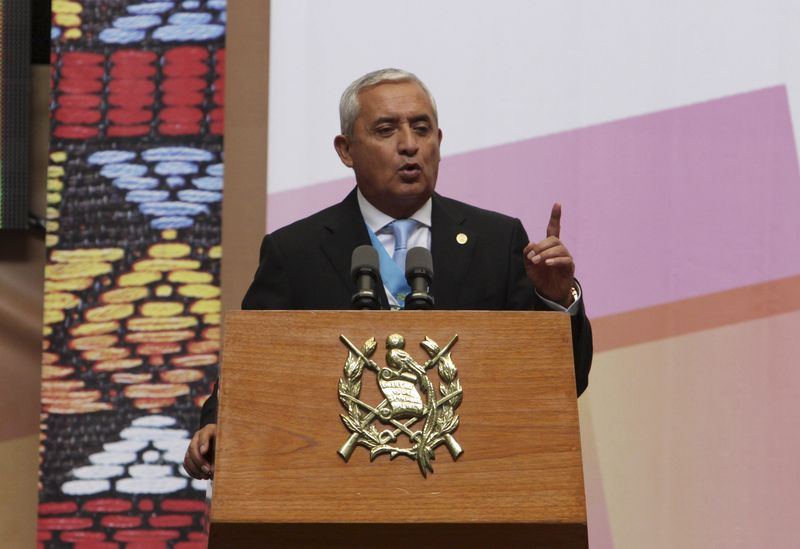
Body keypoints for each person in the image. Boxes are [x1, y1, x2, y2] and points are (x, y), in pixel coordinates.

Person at [183, 68, 592, 480]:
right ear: (346, 150)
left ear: (439, 140)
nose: (409, 145)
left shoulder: (498, 240)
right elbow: (253, 369)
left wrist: (557, 301)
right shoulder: (295, 251)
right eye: (386, 130)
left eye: (422, 129)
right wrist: (218, 423)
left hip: (474, 485)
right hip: (337, 489)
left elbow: (564, 383)